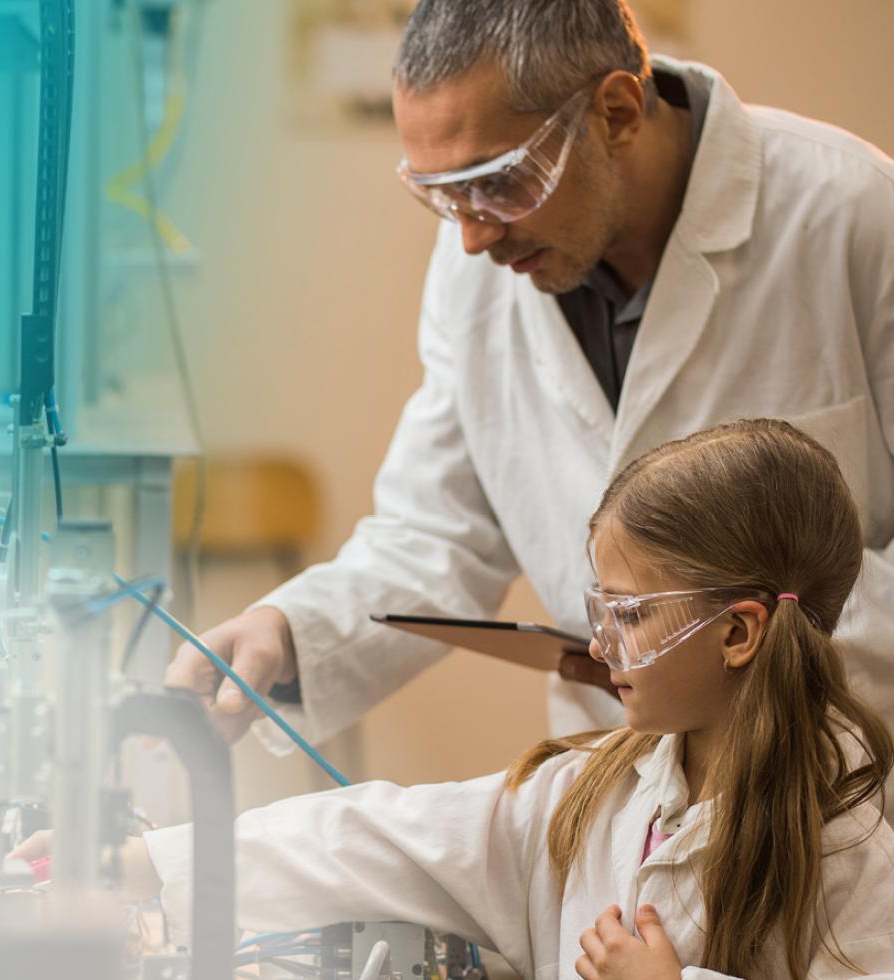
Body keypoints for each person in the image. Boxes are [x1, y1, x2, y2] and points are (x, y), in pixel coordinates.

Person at [163, 0, 894, 808]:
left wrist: (725, 652)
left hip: (840, 789)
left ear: (615, 111)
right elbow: (435, 535)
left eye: (499, 180)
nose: (473, 237)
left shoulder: (853, 216)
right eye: (441, 194)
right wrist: (286, 634)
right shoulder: (475, 262)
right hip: (619, 793)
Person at [128, 420, 894, 979]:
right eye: (599, 613)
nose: (598, 648)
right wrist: (142, 865)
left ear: (736, 634)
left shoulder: (847, 846)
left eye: (627, 616)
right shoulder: (591, 795)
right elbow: (380, 834)